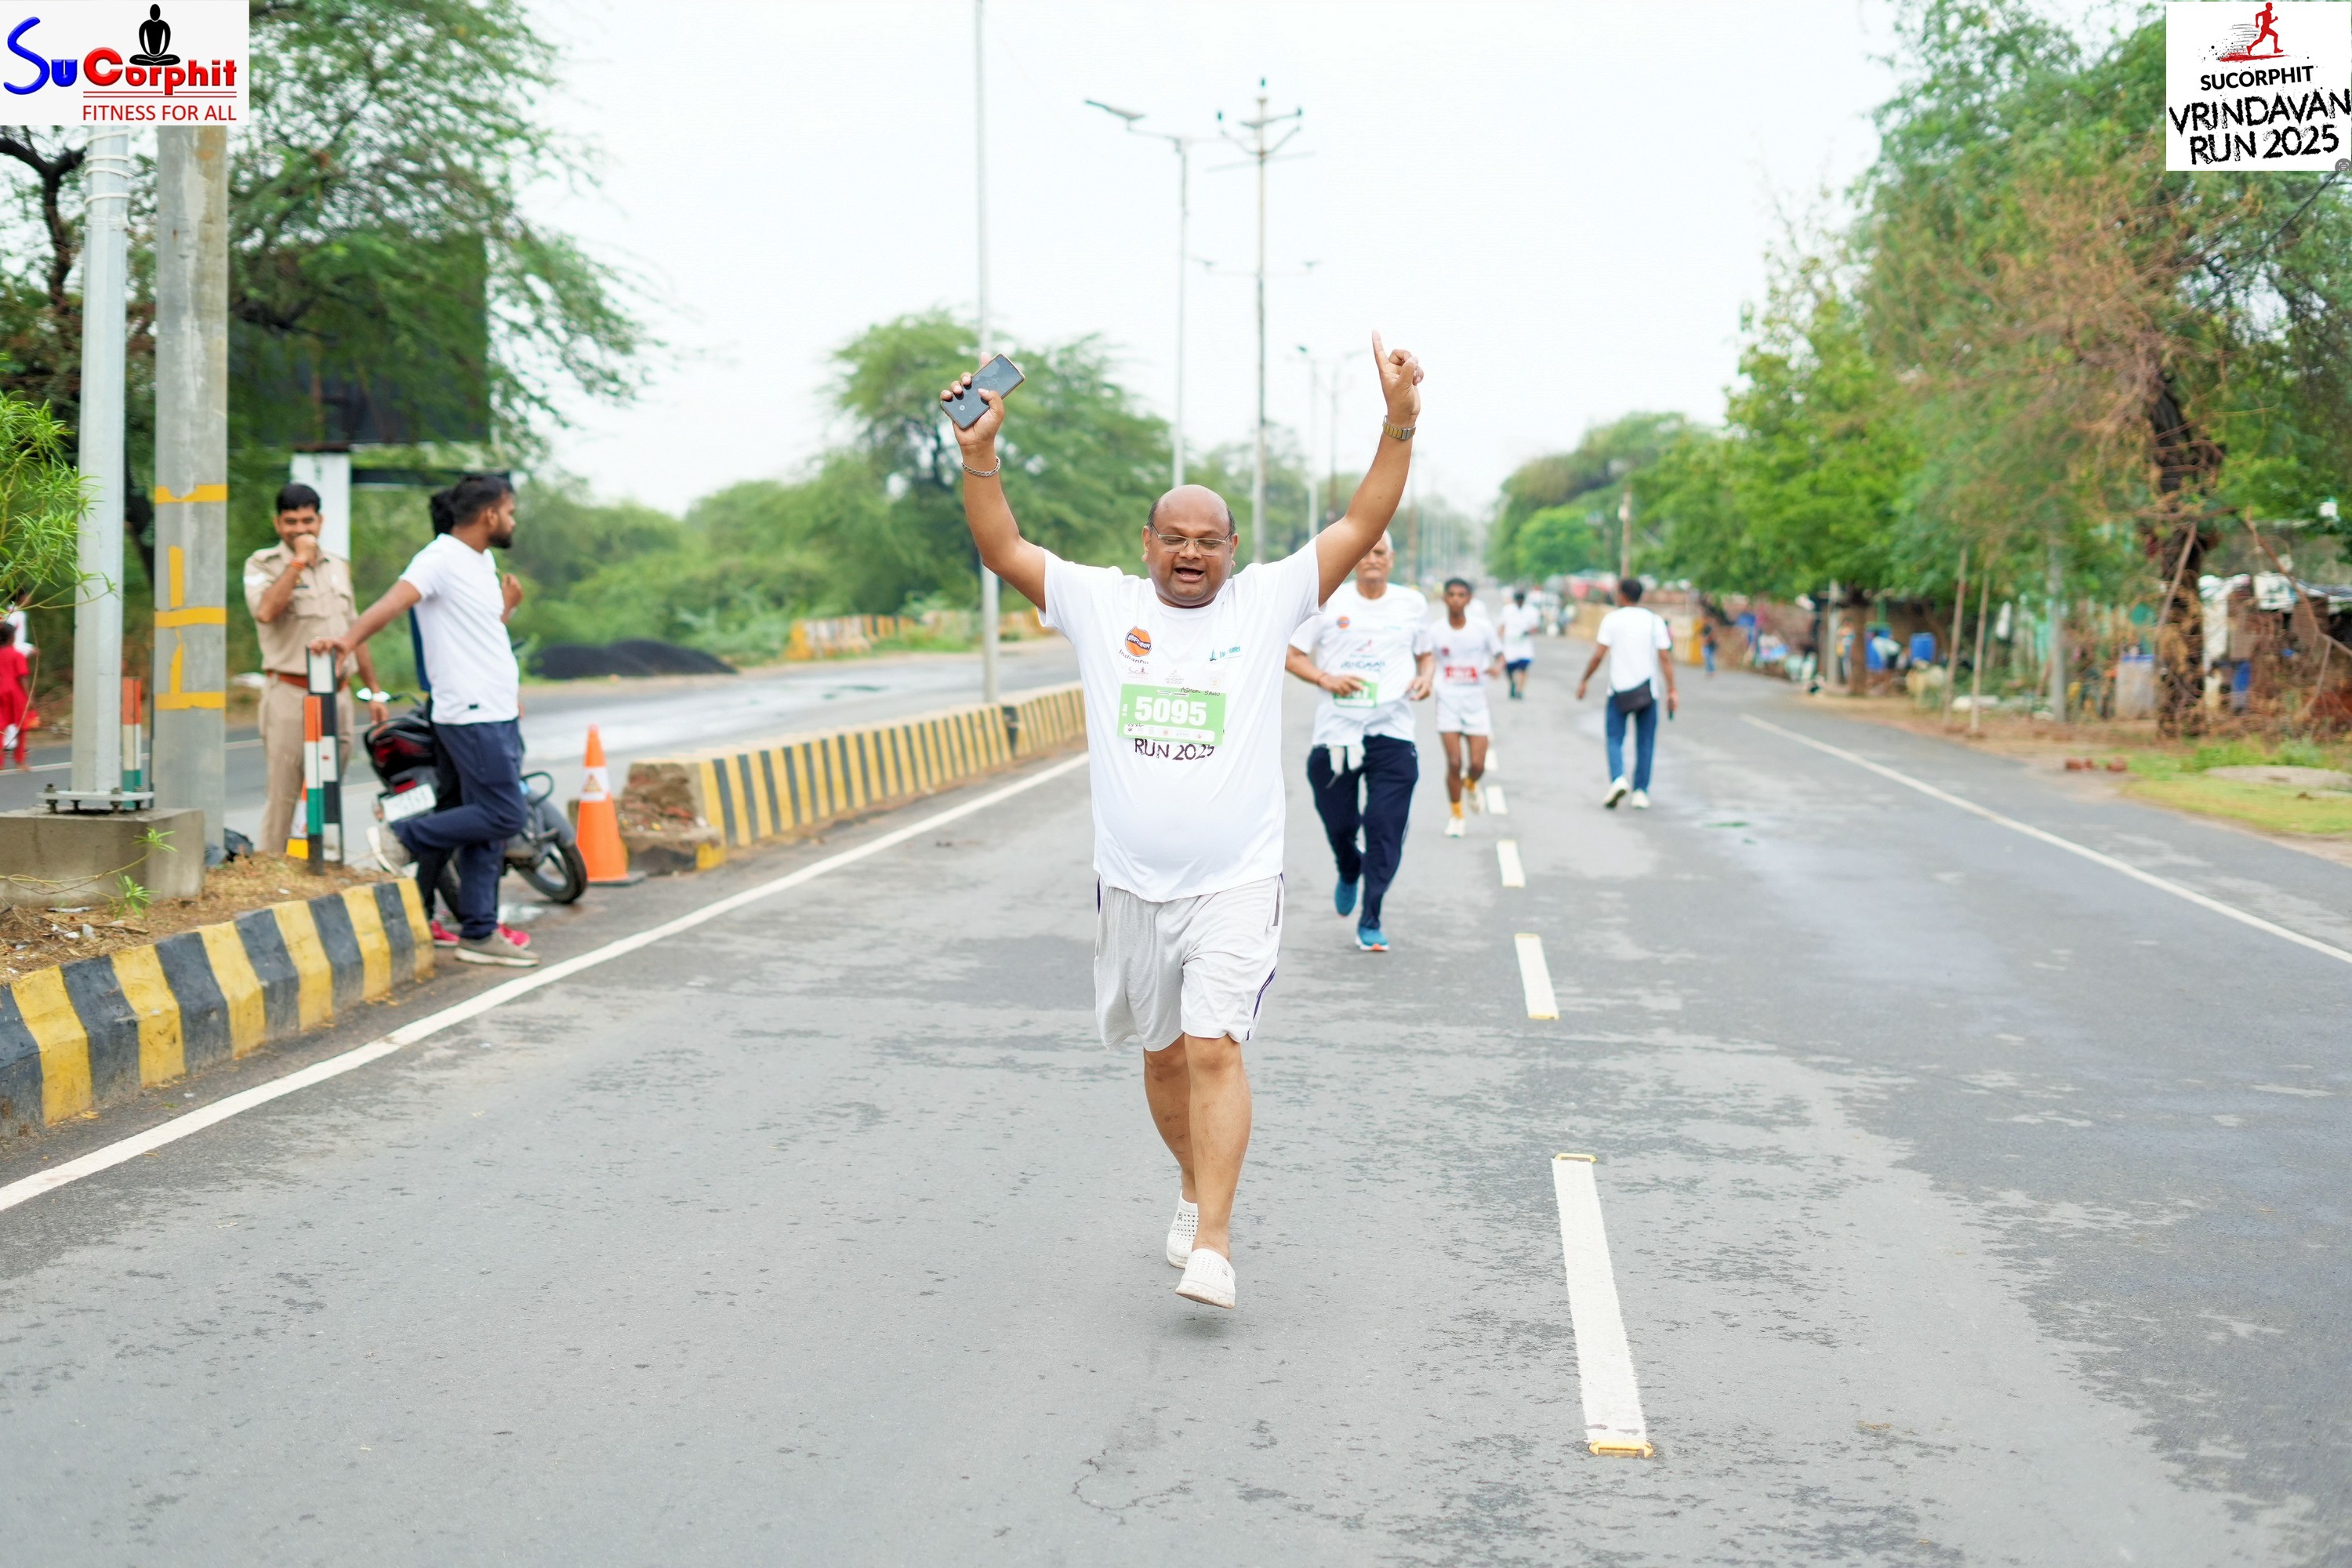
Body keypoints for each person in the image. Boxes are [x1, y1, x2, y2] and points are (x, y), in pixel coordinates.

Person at [949, 331, 1424, 1312]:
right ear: (1149, 543)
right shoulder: (1099, 603)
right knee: (1163, 1056)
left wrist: (1399, 423)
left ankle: (1215, 1241)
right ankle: (1191, 1183)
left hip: (1236, 880)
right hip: (1131, 885)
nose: (1193, 552)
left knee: (1214, 1047)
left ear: (1233, 550)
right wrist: (980, 454)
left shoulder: (1268, 601)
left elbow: (1362, 517)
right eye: (1176, 537)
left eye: (1210, 539)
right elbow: (1002, 548)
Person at [317, 474, 537, 967]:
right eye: (509, 512)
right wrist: (348, 642)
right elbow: (392, 603)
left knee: (484, 825)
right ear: (490, 515)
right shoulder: (438, 559)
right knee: (506, 814)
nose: (512, 520)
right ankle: (404, 838)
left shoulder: (481, 561)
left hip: (495, 709)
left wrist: (505, 612)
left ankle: (479, 931)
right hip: (471, 714)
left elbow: (475, 636)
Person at [1286, 534, 1432, 953]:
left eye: (1380, 552)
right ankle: (1349, 866)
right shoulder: (1330, 602)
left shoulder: (1412, 604)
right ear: (1353, 560)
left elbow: (1426, 655)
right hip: (1337, 734)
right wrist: (1325, 678)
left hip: (1393, 732)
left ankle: (1372, 917)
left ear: (1392, 559)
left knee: (1385, 828)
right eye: (1365, 552)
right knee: (1341, 825)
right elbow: (1292, 654)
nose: (1372, 559)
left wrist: (1426, 678)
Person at [244, 482, 387, 857]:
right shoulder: (262, 564)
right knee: (284, 794)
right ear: (278, 524)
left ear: (320, 521)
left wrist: (374, 691)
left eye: (307, 520)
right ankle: (272, 868)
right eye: (291, 522)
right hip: (291, 694)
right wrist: (297, 563)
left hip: (338, 695)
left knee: (329, 788)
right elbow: (266, 611)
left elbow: (355, 631)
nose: (300, 529)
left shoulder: (337, 566)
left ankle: (323, 863)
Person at [1576, 575, 1678, 809]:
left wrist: (1585, 680)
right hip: (1647, 693)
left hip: (1619, 691)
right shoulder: (1654, 621)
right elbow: (1665, 658)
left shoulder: (1612, 619)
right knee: (1645, 743)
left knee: (1614, 738)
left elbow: (1598, 655)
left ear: (1622, 595)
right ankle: (1641, 791)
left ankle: (1618, 779)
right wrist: (1672, 690)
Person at [1430, 579, 1503, 837]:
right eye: (1451, 594)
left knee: (1478, 765)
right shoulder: (1435, 631)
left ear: (1469, 599)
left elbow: (1500, 655)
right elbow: (1425, 659)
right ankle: (1457, 815)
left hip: (1475, 701)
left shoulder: (1482, 629)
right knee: (1454, 762)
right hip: (1447, 701)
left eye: (1461, 595)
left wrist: (1497, 668)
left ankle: (1471, 783)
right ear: (1445, 599)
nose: (1456, 599)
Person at [1498, 588, 1541, 699]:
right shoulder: (1507, 610)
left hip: (1524, 645)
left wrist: (1529, 632)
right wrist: (1499, 640)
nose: (1520, 601)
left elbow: (1536, 627)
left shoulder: (1531, 611)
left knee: (1523, 668)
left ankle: (1520, 690)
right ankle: (1513, 683)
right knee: (1508, 669)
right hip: (1510, 644)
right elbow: (1502, 626)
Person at [0, 621, 28, 770]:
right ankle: (20, 761)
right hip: (15, 693)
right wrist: (29, 697)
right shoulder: (17, 655)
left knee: (0, 727)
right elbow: (22, 677)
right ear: (12, 637)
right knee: (21, 727)